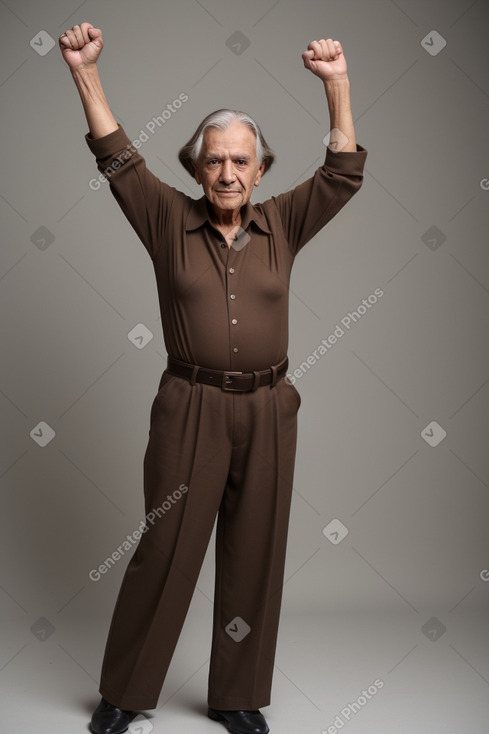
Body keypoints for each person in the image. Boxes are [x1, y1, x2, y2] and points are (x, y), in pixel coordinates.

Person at [59, 22, 367, 734]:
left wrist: (336, 85)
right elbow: (116, 157)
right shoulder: (166, 217)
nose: (227, 174)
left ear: (260, 170)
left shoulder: (284, 223)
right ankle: (124, 694)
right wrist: (84, 70)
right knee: (165, 552)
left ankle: (235, 698)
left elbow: (343, 172)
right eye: (214, 161)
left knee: (255, 553)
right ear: (195, 168)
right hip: (189, 405)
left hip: (268, 407)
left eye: (241, 161)